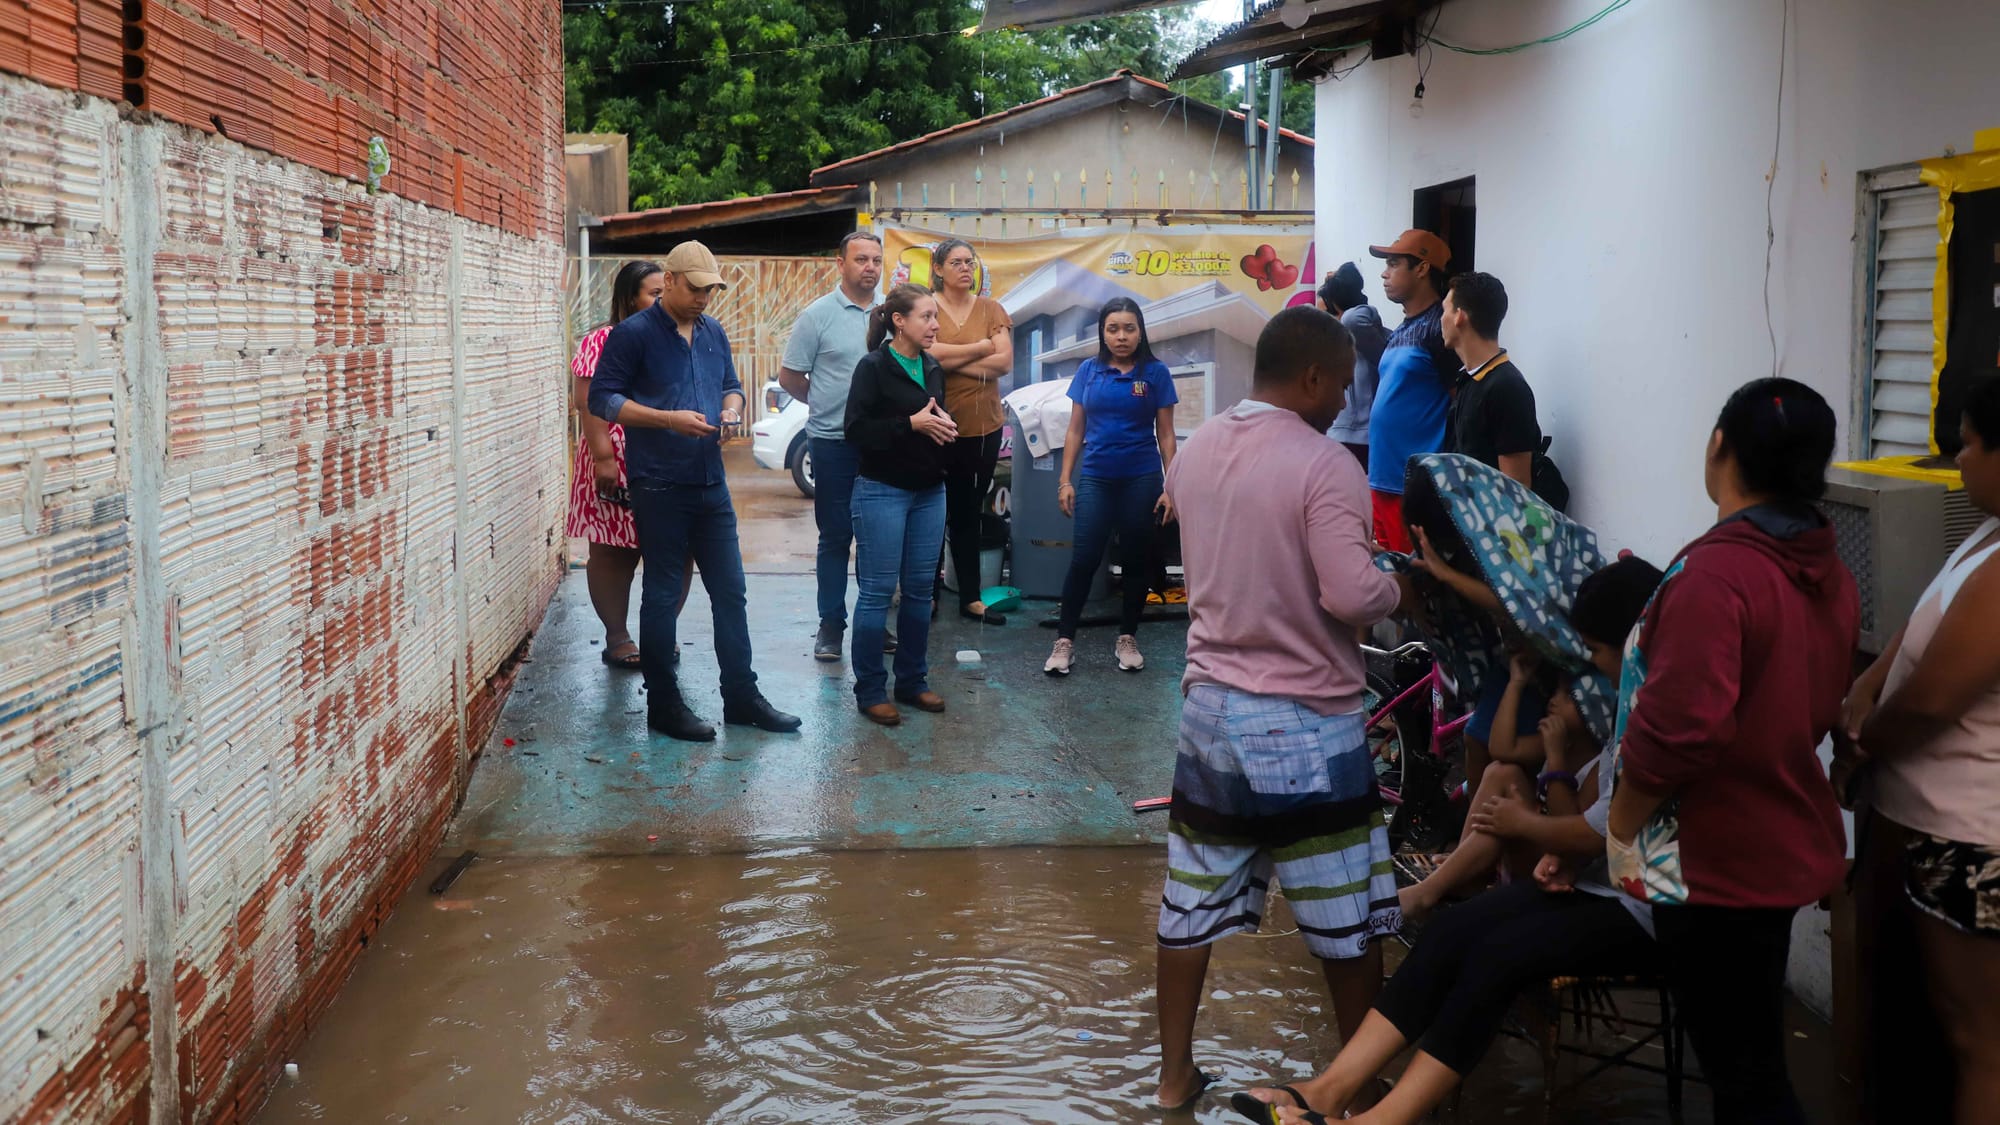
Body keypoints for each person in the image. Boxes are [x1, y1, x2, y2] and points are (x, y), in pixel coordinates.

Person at [1239, 561, 1666, 1125]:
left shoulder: (1663, 711)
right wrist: (1549, 840)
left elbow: (1605, 831)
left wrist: (1527, 827)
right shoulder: (1637, 707)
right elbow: (1596, 825)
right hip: (1602, 885)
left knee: (1497, 955)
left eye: (1600, 651)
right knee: (1454, 930)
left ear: (1636, 640)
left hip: (1648, 909)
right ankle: (1328, 1089)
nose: (1600, 669)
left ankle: (1380, 1122)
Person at [1153, 306, 1415, 1113]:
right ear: (1310, 377)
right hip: (1305, 722)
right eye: (1340, 382)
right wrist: (1401, 584)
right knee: (1348, 920)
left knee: (1188, 903)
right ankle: (1362, 1088)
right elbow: (1349, 592)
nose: (1344, 398)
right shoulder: (1324, 461)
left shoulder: (1195, 451)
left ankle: (1173, 1078)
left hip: (1208, 713)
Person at [1605, 378, 1858, 1125]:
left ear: (1720, 447)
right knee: (1748, 1064)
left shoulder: (1718, 573)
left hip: (1712, 862)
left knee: (1746, 1080)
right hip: (1774, 846)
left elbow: (1683, 727)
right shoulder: (1824, 569)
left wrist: (1620, 823)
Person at [1843, 376, 2000, 1125]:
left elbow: (1937, 698)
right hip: (1934, 821)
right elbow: (1922, 624)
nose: (1959, 460)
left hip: (1974, 834)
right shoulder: (1986, 532)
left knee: (1980, 1045)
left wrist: (1863, 738)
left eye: (1968, 442)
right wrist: (1866, 688)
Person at [587, 240, 801, 742]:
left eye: (712, 288)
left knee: (731, 592)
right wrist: (666, 419)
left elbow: (731, 383)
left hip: (711, 481)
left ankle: (741, 698)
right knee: (662, 593)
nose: (706, 296)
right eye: (698, 287)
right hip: (658, 482)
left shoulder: (712, 331)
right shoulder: (633, 334)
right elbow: (603, 399)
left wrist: (731, 410)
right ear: (674, 279)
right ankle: (663, 705)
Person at [1398, 556, 1664, 925]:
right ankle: (1461, 870)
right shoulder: (1622, 728)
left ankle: (1431, 891)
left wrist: (1535, 797)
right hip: (1559, 859)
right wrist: (1518, 682)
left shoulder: (1600, 747)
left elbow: (1580, 833)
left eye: (1597, 650)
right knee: (1501, 772)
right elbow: (1502, 751)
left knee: (1504, 809)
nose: (1554, 702)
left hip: (1575, 876)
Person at [1043, 298, 1178, 676]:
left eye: (1129, 328)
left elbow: (1166, 435)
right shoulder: (1089, 371)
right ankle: (1064, 640)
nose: (1121, 336)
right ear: (1103, 332)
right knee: (1085, 559)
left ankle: (1127, 636)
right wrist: (1065, 480)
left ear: (1141, 331)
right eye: (1113, 329)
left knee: (1136, 559)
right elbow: (1075, 430)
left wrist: (1172, 486)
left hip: (1142, 477)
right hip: (1097, 477)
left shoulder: (1155, 373)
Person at [842, 284, 956, 726]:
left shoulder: (932, 366)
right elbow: (855, 430)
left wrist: (942, 426)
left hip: (930, 491)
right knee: (876, 593)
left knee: (920, 593)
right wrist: (911, 423)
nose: (934, 325)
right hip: (881, 490)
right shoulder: (873, 367)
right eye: (927, 316)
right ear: (899, 321)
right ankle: (870, 689)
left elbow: (931, 421)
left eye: (935, 317)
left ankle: (911, 680)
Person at [775, 232, 890, 663]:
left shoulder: (891, 315)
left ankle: (873, 624)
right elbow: (791, 378)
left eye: (876, 260)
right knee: (836, 536)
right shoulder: (817, 316)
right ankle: (830, 626)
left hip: (882, 445)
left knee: (877, 537)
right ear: (840, 264)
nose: (870, 267)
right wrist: (827, 405)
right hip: (832, 443)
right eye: (861, 259)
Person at [568, 260, 684, 670]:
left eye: (663, 291)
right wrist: (602, 456)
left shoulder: (678, 336)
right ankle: (617, 637)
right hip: (615, 458)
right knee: (614, 553)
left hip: (671, 459)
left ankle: (660, 632)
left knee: (674, 550)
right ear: (629, 298)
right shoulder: (603, 340)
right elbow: (587, 401)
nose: (661, 300)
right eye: (653, 293)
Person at [926, 238, 1014, 624]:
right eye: (957, 262)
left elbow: (1005, 362)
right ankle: (925, 594)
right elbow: (926, 355)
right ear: (939, 269)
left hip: (982, 427)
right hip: (934, 425)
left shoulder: (992, 309)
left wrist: (952, 360)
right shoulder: (926, 307)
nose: (966, 268)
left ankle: (971, 598)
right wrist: (981, 348)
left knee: (967, 512)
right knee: (929, 513)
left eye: (970, 261)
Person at [1364, 230, 1455, 553]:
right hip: (1382, 477)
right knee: (1388, 573)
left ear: (1422, 268)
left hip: (1414, 485)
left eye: (1393, 263)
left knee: (1411, 579)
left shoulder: (1439, 329)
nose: (1384, 273)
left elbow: (1458, 401)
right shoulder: (1403, 327)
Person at [1439, 272, 1540, 489]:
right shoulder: (1469, 378)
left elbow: (1517, 489)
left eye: (1444, 310)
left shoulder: (1507, 388)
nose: (1441, 319)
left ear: (1459, 316)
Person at [1320, 262, 1388, 471]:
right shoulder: (1335, 347)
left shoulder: (1362, 335)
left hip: (1361, 439)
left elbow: (1353, 319)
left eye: (1327, 316)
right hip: (1339, 435)